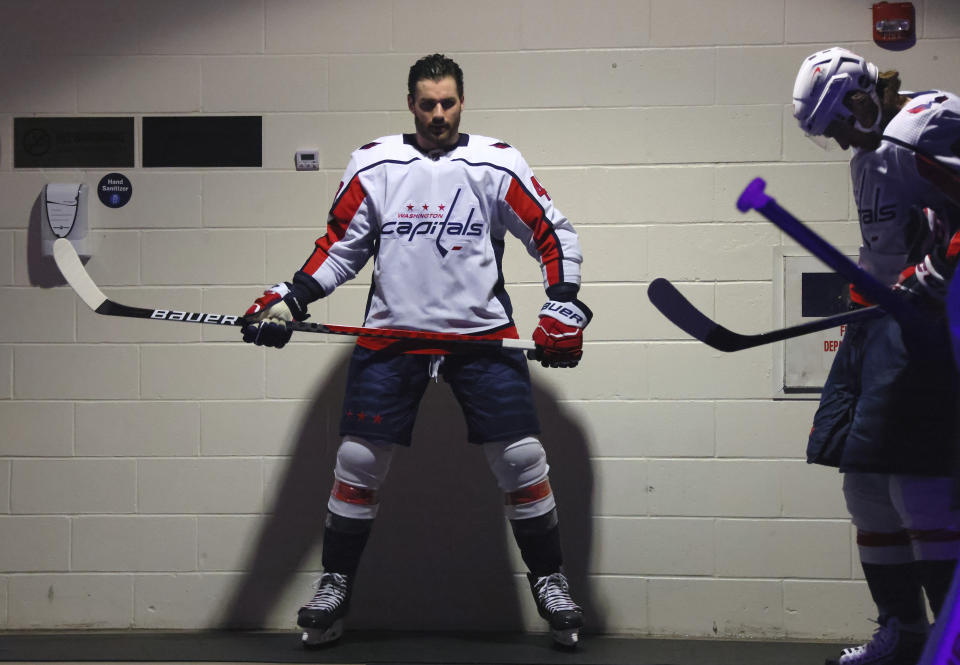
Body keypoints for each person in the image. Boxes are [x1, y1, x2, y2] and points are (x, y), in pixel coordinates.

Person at [240, 53, 591, 648]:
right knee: (356, 463)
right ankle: (334, 586)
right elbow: (342, 247)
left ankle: (551, 582)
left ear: (462, 101)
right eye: (427, 104)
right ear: (410, 103)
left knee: (523, 461)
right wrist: (291, 298)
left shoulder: (496, 162)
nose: (438, 115)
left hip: (479, 334)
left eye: (448, 103)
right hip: (393, 335)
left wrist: (562, 302)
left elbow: (553, 232)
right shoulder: (375, 162)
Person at [792, 47, 960, 665]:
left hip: (927, 333)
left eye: (837, 124)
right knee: (863, 489)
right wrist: (867, 286)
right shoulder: (868, 156)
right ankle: (903, 631)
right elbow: (887, 244)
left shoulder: (926, 125)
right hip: (879, 329)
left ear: (860, 98)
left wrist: (941, 266)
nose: (837, 141)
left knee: (919, 492)